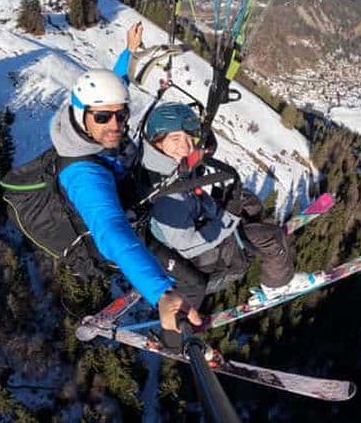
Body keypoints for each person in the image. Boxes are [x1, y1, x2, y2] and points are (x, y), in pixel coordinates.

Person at [49, 22, 202, 336]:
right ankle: (178, 340)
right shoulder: (82, 173)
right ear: (81, 115)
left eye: (121, 115)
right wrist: (160, 291)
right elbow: (111, 231)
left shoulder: (90, 123)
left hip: (135, 191)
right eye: (103, 117)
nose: (115, 125)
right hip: (130, 232)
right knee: (194, 282)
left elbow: (116, 84)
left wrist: (129, 50)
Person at [139, 102, 318, 346]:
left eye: (189, 138)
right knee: (272, 237)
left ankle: (259, 243)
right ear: (157, 141)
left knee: (250, 203)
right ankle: (277, 284)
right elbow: (189, 245)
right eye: (176, 138)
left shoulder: (171, 167)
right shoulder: (168, 196)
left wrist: (223, 207)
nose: (187, 146)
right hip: (204, 253)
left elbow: (197, 194)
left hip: (206, 228)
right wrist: (229, 217)